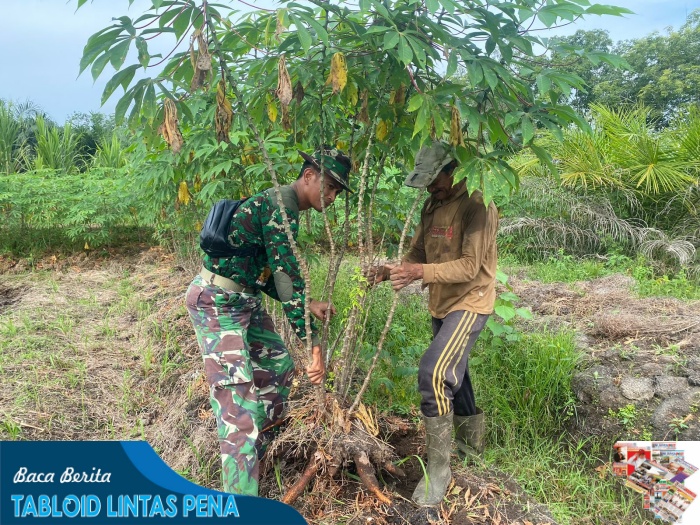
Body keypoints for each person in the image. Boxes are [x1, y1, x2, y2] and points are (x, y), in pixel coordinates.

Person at [185, 147, 352, 496]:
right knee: (238, 411)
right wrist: (316, 348)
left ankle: (253, 458)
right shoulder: (281, 206)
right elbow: (287, 276)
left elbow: (267, 274)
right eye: (330, 187)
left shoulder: (284, 206)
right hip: (218, 303)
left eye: (338, 191)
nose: (333, 196)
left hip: (244, 300)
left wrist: (308, 303)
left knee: (277, 369)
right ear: (308, 176)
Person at [372, 140, 498, 506]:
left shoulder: (478, 204)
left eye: (435, 180)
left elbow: (469, 267)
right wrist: (389, 271)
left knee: (434, 372)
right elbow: (418, 252)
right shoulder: (432, 205)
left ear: (453, 170)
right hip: (441, 302)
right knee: (456, 372)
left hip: (470, 301)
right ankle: (473, 445)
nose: (430, 187)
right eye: (426, 182)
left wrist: (419, 271)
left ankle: (440, 469)